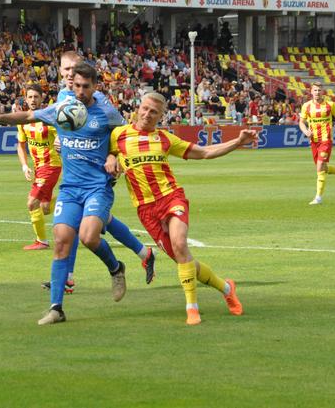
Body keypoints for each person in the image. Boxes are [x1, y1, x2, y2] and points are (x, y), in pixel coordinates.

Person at [0, 63, 131, 326]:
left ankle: (116, 268)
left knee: (90, 237)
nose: (80, 91)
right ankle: (56, 308)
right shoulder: (62, 109)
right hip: (70, 188)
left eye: (86, 86)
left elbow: (125, 136)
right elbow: (27, 117)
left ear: (95, 87)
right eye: (76, 85)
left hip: (97, 187)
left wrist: (114, 155)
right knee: (60, 242)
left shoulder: (106, 113)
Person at [107, 92, 257, 325]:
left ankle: (192, 308)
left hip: (170, 198)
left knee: (179, 244)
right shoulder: (118, 135)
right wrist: (110, 156)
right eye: (145, 108)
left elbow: (205, 152)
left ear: (161, 116)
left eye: (154, 112)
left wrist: (238, 142)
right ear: (138, 107)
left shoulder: (165, 139)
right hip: (146, 210)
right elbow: (105, 152)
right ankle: (227, 288)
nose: (147, 114)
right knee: (183, 259)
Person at [40, 51, 156, 295]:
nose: (70, 74)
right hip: (75, 169)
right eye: (66, 69)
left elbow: (117, 130)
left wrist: (113, 155)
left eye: (74, 68)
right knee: (96, 220)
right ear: (60, 72)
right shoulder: (63, 95)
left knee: (79, 225)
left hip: (99, 171)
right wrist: (60, 140)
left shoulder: (97, 98)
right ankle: (144, 253)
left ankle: (69, 276)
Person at [16, 84, 62, 253]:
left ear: (42, 98)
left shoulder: (50, 119)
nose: (33, 100)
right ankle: (77, 201)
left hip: (51, 166)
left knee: (31, 203)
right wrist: (24, 166)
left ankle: (41, 241)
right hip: (38, 168)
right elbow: (20, 145)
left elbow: (63, 138)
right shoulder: (23, 121)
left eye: (36, 97)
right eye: (30, 97)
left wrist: (60, 140)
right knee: (45, 208)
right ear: (25, 98)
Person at [298, 82, 335, 205]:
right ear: (311, 92)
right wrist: (305, 131)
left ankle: (318, 198)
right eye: (315, 90)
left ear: (323, 92)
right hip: (313, 141)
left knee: (320, 166)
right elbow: (301, 122)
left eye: (319, 90)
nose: (317, 92)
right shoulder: (306, 106)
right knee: (322, 168)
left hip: (326, 140)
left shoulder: (330, 105)